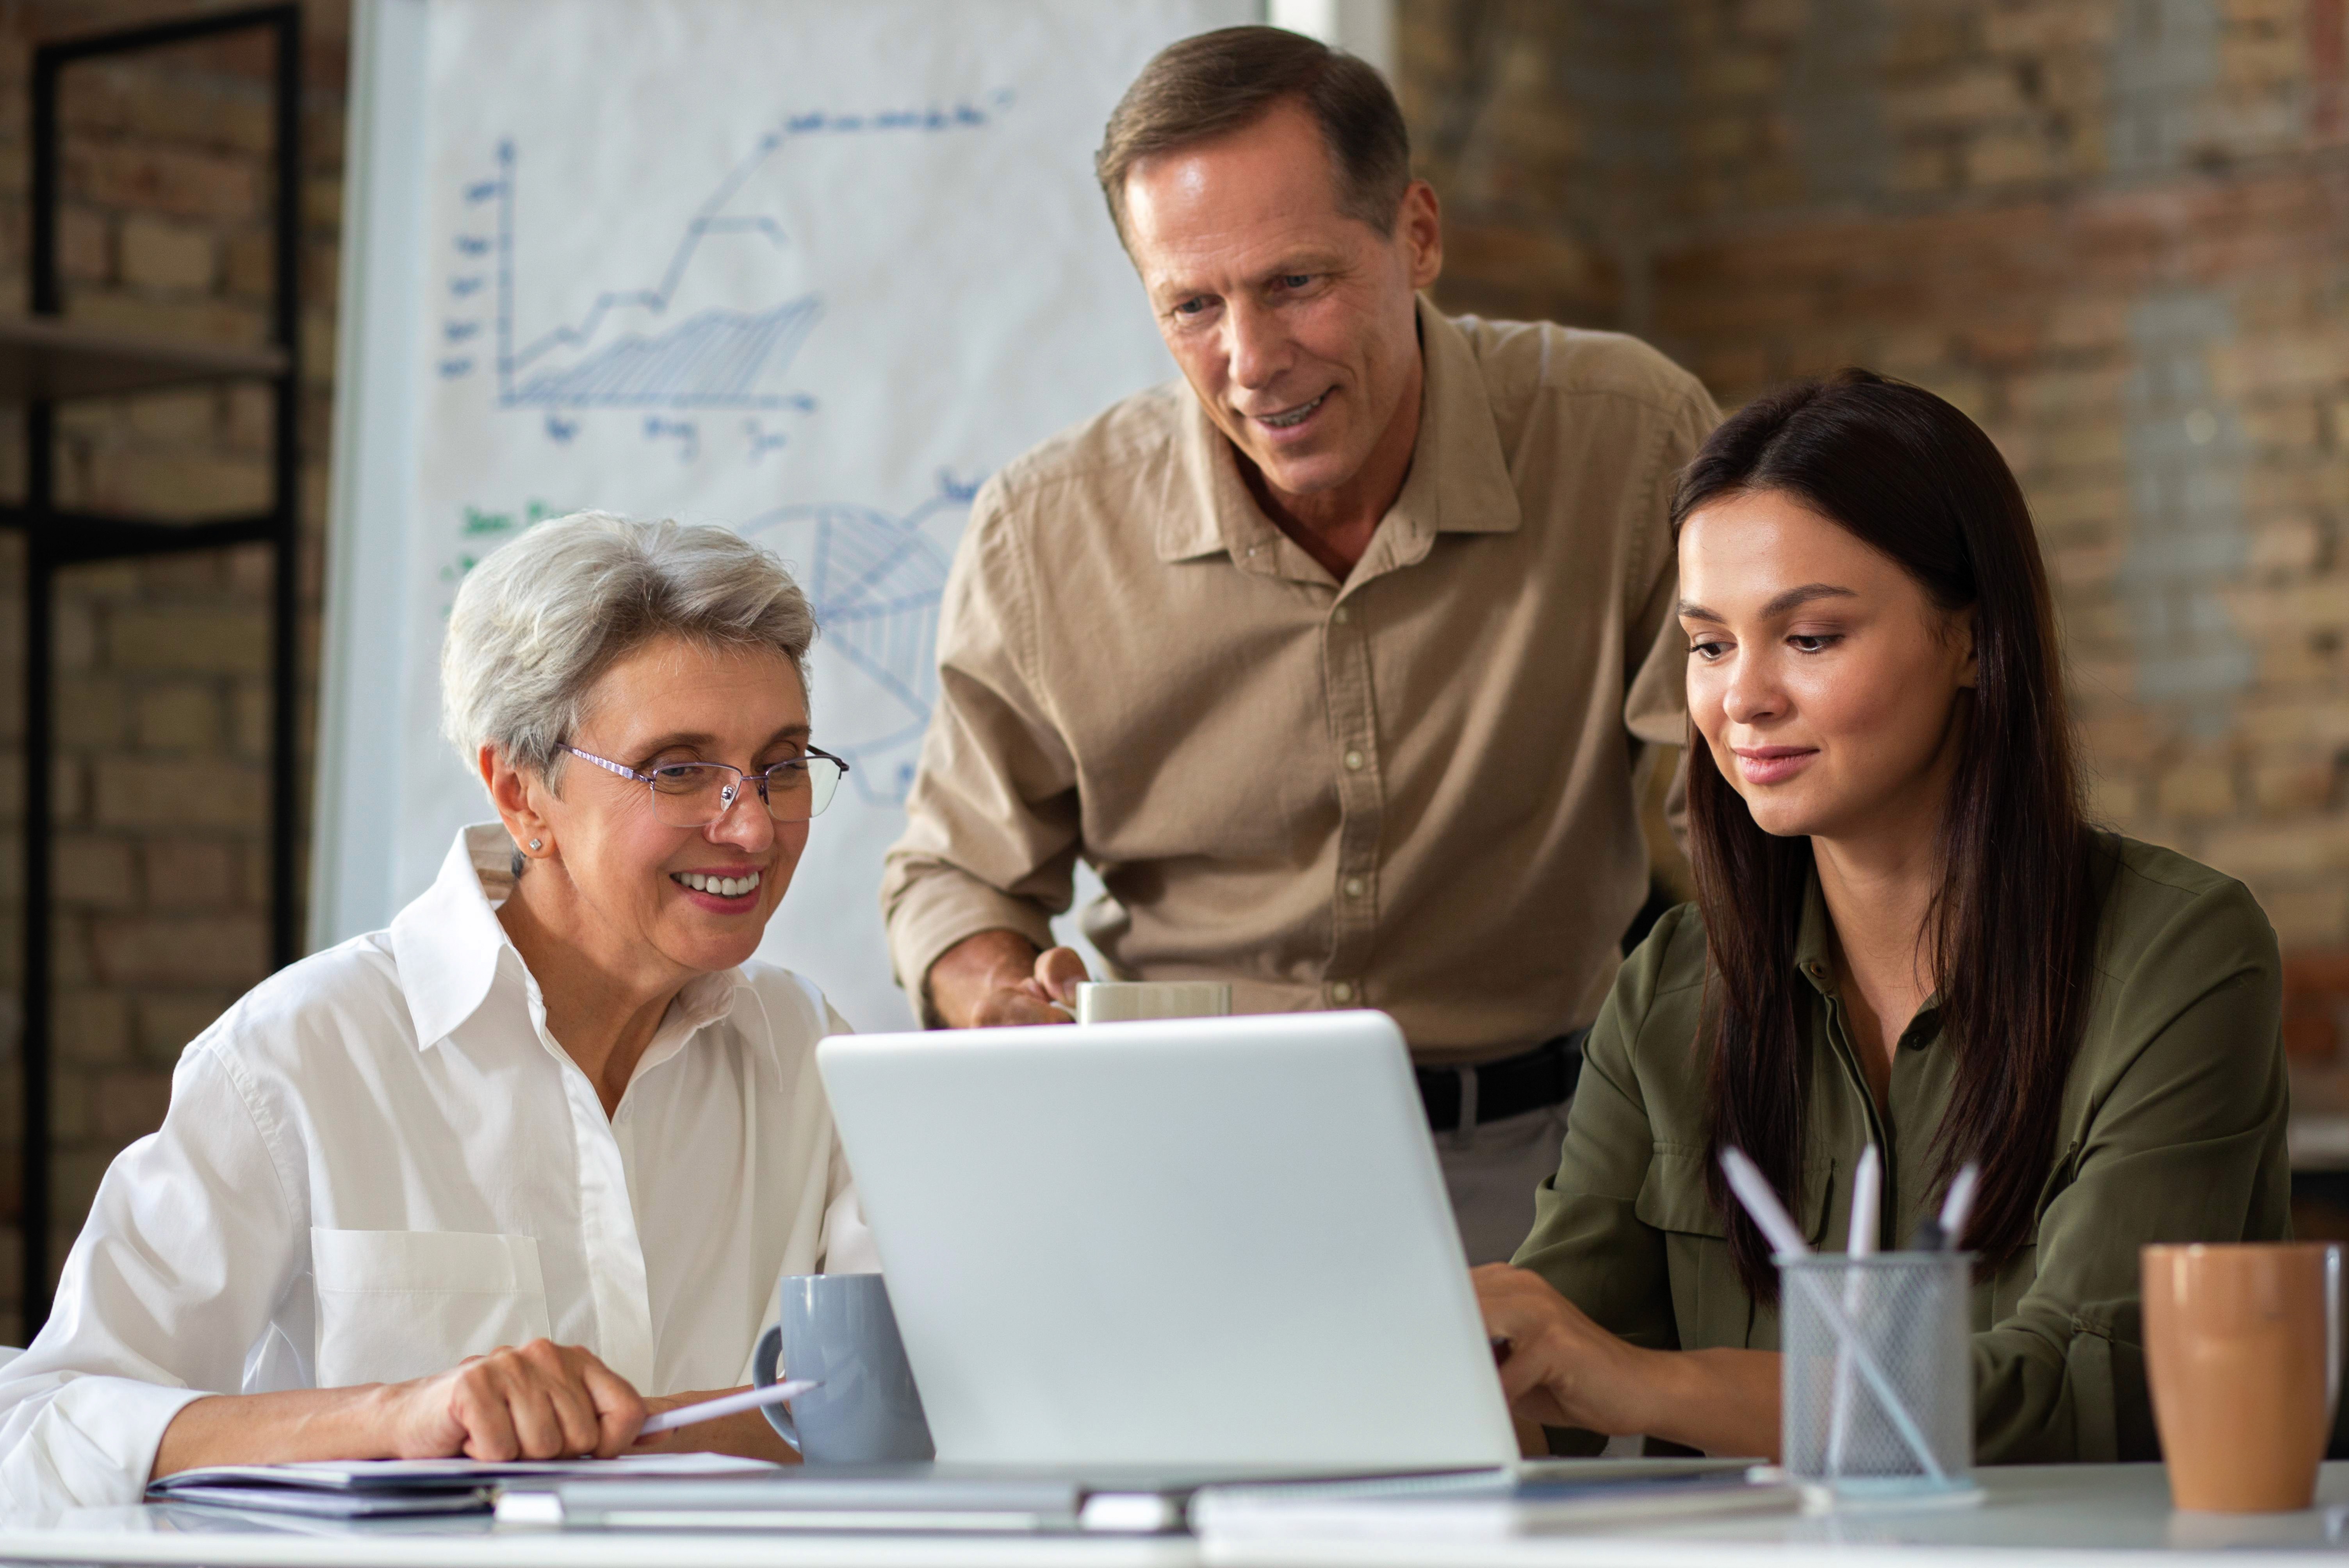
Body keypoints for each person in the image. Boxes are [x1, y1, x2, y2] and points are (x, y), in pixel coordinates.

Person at [880, 25, 1719, 1263]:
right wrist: (990, 993)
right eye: (1193, 305)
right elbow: (950, 876)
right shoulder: (1046, 528)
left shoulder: (1626, 435)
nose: (1253, 361)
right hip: (1172, 1159)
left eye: (1296, 284)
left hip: (1549, 1163)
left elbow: (1746, 796)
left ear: (1417, 237)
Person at [1474, 371, 2289, 1464]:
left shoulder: (2181, 955)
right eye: (1709, 644)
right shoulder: (1671, 981)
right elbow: (1549, 1369)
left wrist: (1646, 1384)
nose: (1742, 697)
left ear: (1972, 641)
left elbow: (2073, 1388)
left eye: (1808, 638)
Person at [0, 514, 876, 1512]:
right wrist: (398, 1417)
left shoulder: (808, 1049)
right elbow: (34, 1428)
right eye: (679, 769)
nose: (753, 823)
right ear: (520, 793)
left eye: (783, 763)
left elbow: (907, 1398)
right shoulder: (300, 1054)